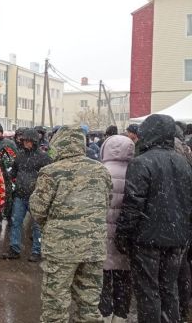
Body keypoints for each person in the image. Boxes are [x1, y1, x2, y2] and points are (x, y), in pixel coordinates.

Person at [29, 126, 112, 323]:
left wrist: (52, 225)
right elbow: (106, 203)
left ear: (58, 144)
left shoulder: (51, 172)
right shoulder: (101, 170)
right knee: (89, 304)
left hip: (61, 249)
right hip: (93, 247)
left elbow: (38, 209)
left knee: (55, 305)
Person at [115, 114, 192, 323]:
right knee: (169, 288)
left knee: (148, 290)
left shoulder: (142, 162)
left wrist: (122, 235)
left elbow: (133, 204)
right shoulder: (183, 163)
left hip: (147, 239)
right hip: (177, 239)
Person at [96, 134, 135, 322]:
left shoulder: (101, 171)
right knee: (123, 278)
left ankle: (104, 312)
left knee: (104, 277)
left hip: (104, 234)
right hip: (125, 236)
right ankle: (120, 314)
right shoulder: (136, 170)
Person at [1, 128, 51, 262]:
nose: (25, 143)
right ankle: (14, 248)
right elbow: (14, 172)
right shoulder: (20, 156)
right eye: (24, 141)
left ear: (34, 142)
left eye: (28, 141)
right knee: (15, 222)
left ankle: (37, 250)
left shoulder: (44, 158)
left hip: (36, 197)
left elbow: (50, 178)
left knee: (37, 226)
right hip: (20, 195)